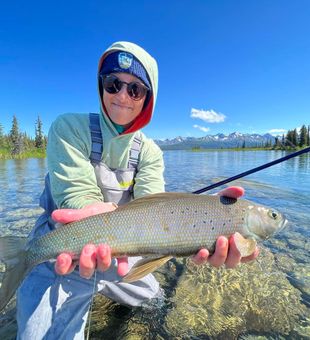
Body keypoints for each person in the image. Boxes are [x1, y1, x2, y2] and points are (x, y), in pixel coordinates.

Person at [16, 41, 258, 339]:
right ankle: (25, 260)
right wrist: (90, 213)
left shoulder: (151, 152)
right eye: (113, 83)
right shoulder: (68, 128)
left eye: (135, 89)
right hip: (59, 251)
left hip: (120, 256)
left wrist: (200, 228)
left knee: (157, 303)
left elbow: (153, 209)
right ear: (101, 85)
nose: (122, 96)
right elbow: (76, 197)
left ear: (148, 98)